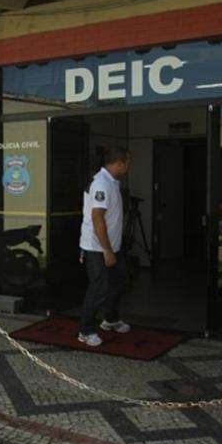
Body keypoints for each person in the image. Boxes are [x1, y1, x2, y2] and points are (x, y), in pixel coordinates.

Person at [77, 146, 131, 346]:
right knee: (99, 288)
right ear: (119, 163)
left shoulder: (112, 182)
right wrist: (107, 250)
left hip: (112, 246)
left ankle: (110, 319)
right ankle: (86, 330)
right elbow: (97, 218)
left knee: (120, 283)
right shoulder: (101, 183)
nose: (128, 166)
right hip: (97, 247)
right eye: (128, 162)